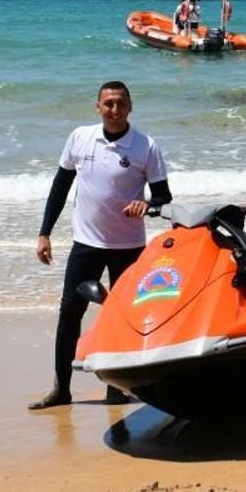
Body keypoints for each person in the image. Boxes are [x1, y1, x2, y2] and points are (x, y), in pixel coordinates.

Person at [29, 80, 172, 410]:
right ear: (98, 107)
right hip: (86, 244)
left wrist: (148, 205)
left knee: (123, 318)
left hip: (129, 247)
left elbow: (164, 195)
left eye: (121, 103)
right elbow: (61, 186)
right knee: (70, 315)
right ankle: (61, 390)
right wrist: (44, 232)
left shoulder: (145, 146)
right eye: (108, 103)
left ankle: (117, 389)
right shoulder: (80, 137)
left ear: (130, 107)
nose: (115, 109)